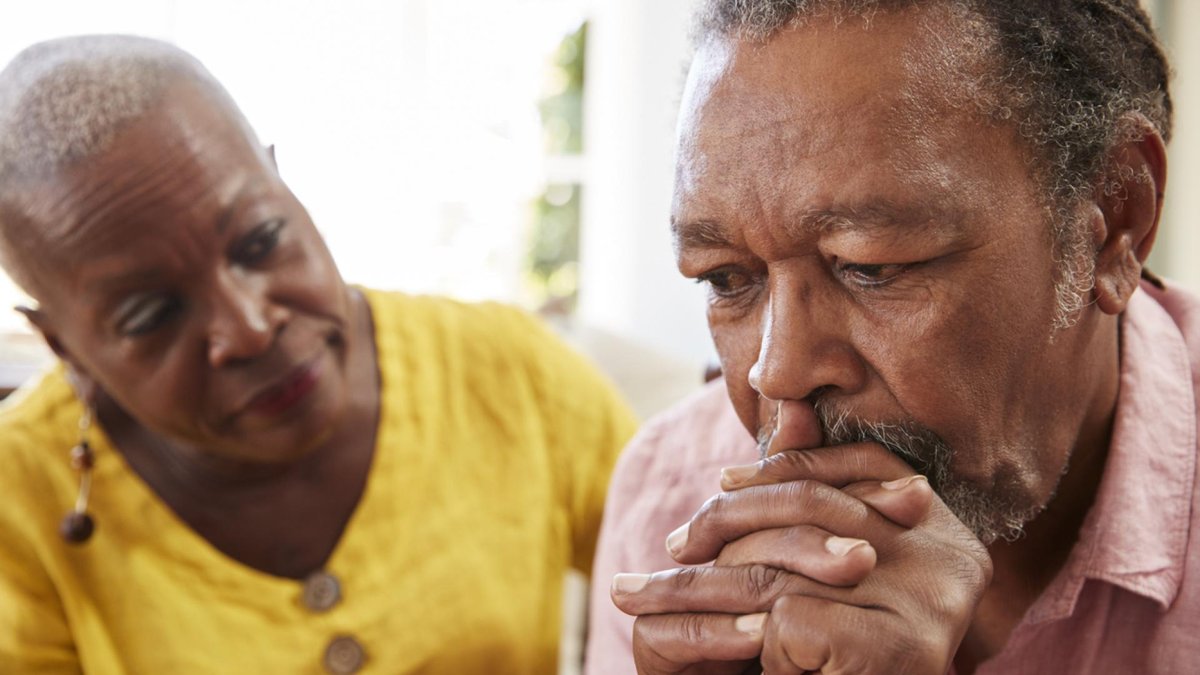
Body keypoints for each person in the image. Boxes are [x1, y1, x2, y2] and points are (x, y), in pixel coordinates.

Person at [586, 1, 1198, 673]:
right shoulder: (669, 502)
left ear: (1114, 217)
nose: (779, 372)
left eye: (871, 266)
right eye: (728, 279)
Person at [0, 35, 637, 674]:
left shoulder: (512, 374)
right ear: (65, 347)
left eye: (261, 239)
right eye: (152, 314)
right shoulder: (16, 501)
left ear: (285, 187)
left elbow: (691, 593)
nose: (249, 328)